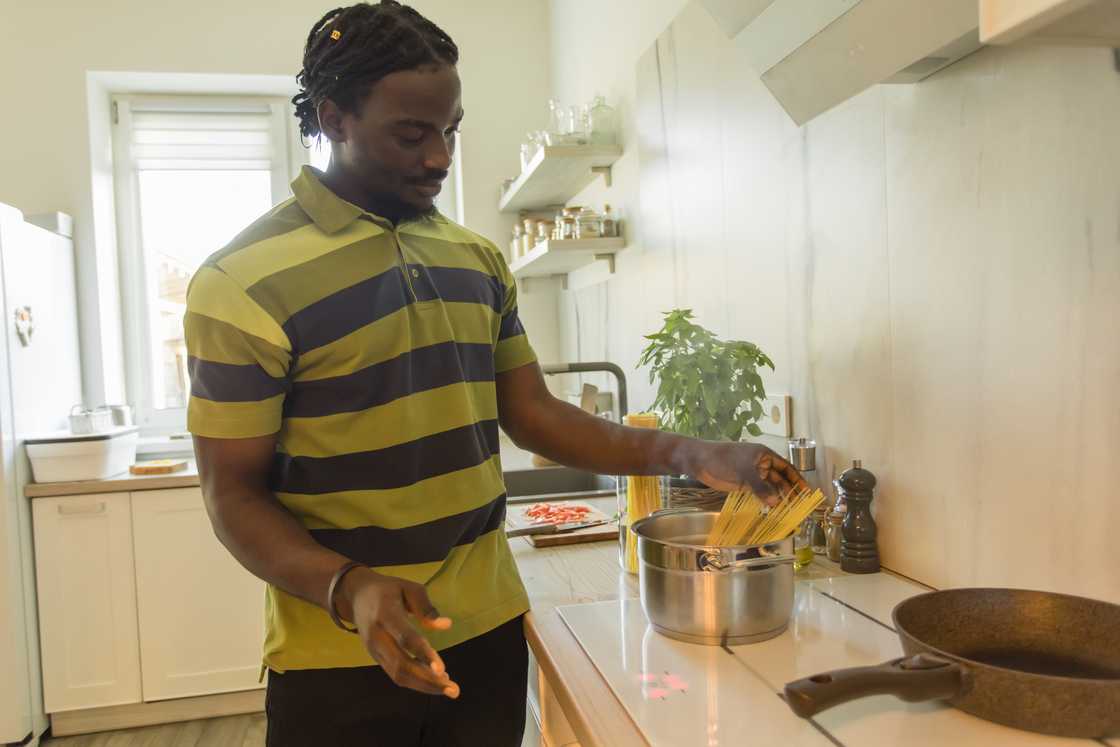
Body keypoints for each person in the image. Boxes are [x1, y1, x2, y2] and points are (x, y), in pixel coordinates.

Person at [184, 2, 807, 745]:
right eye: (411, 133)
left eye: (450, 131)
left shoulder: (475, 260)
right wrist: (348, 588)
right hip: (336, 653)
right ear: (335, 119)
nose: (439, 158)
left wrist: (689, 452)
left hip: (486, 634)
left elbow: (533, 413)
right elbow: (232, 495)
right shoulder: (241, 282)